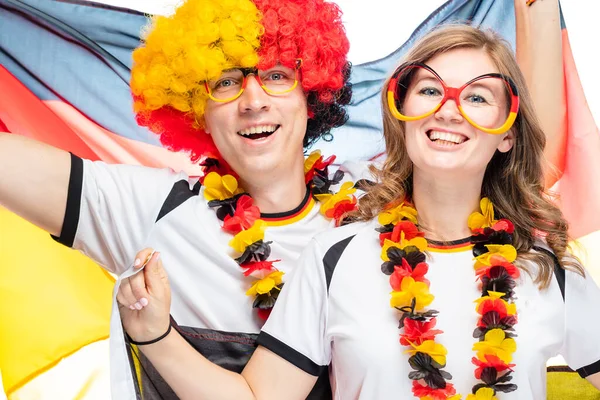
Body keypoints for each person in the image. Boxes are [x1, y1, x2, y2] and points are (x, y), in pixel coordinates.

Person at [0, 0, 572, 399]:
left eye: (275, 74)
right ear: (195, 106)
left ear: (311, 92)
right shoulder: (149, 209)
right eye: (225, 81)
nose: (253, 100)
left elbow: (521, 162)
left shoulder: (374, 200)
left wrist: (537, 8)